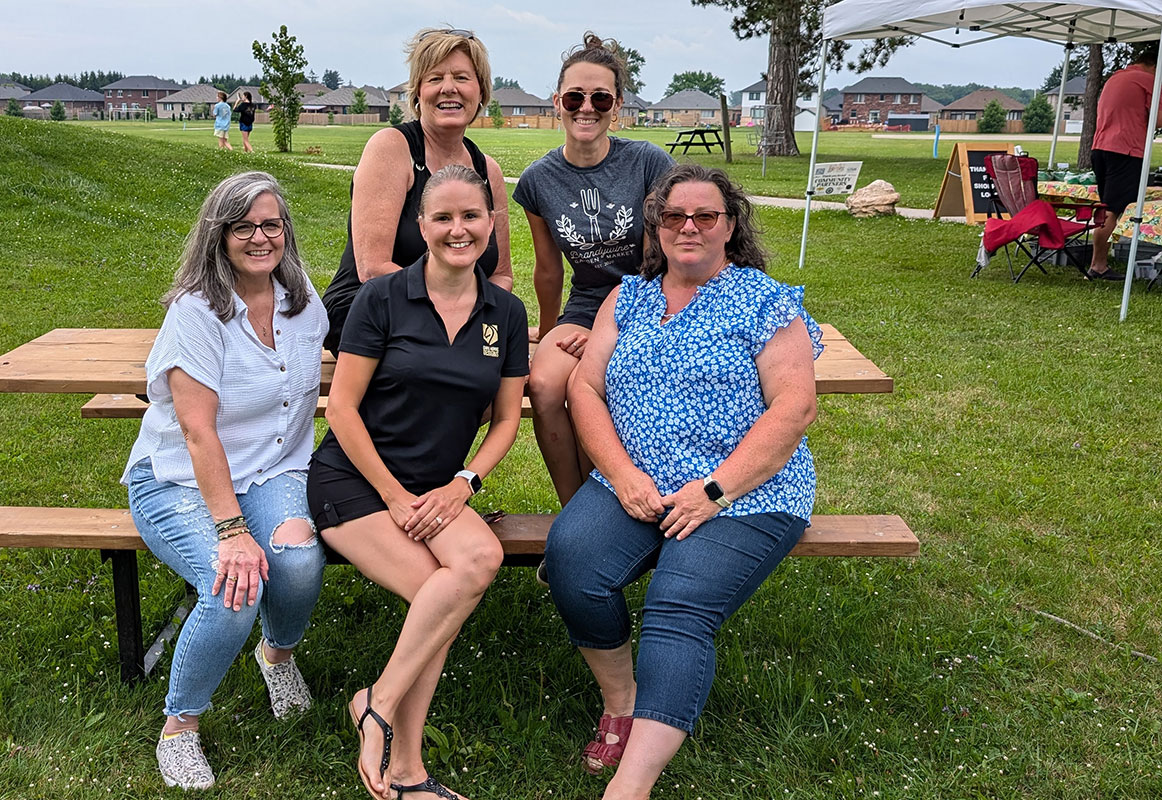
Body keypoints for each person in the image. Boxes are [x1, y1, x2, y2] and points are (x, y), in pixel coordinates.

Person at [545, 164, 823, 798]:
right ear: (657, 227)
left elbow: (794, 407)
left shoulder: (765, 300)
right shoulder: (629, 298)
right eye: (674, 217)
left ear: (731, 226)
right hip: (635, 481)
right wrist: (620, 474)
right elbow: (585, 388)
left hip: (745, 494)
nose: (689, 226)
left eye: (706, 216)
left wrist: (715, 490)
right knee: (570, 562)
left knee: (678, 605)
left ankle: (631, 785)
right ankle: (622, 700)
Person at [307, 165, 528, 800]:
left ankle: (376, 701)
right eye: (443, 218)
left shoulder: (505, 314)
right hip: (355, 480)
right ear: (421, 226)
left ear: (490, 224)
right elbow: (342, 408)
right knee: (440, 596)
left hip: (438, 485)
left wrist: (465, 483)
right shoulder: (381, 299)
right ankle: (406, 767)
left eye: (471, 217)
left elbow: (508, 421)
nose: (458, 230)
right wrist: (394, 496)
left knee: (477, 559)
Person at [122, 172, 328, 790]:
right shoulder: (196, 311)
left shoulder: (301, 300)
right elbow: (196, 432)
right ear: (220, 236)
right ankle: (179, 726)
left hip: (273, 468)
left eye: (271, 224)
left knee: (295, 558)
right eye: (244, 226)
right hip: (180, 480)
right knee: (232, 585)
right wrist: (233, 531)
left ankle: (278, 657)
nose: (260, 237)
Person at [513, 32, 674, 509]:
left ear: (617, 105)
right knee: (543, 384)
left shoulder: (647, 162)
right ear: (557, 103)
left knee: (600, 383)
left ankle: (607, 514)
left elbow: (657, 263)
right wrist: (546, 333)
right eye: (575, 96)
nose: (587, 107)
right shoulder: (538, 180)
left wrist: (612, 328)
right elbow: (548, 270)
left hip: (651, 305)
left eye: (600, 97)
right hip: (584, 307)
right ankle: (575, 513)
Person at [321, 27, 512, 355]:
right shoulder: (392, 148)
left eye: (462, 78)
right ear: (418, 93)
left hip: (458, 317)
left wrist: (478, 321)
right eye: (435, 78)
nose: (448, 88)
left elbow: (502, 274)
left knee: (498, 369)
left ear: (481, 92)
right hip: (373, 309)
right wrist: (453, 311)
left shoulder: (487, 171)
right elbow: (372, 268)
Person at [1087, 42, 1160, 281]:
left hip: (1100, 148)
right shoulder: (1149, 80)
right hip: (1125, 151)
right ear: (1154, 66)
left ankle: (1098, 262)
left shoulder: (1117, 77)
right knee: (1112, 210)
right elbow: (1158, 121)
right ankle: (1098, 265)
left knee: (1106, 208)